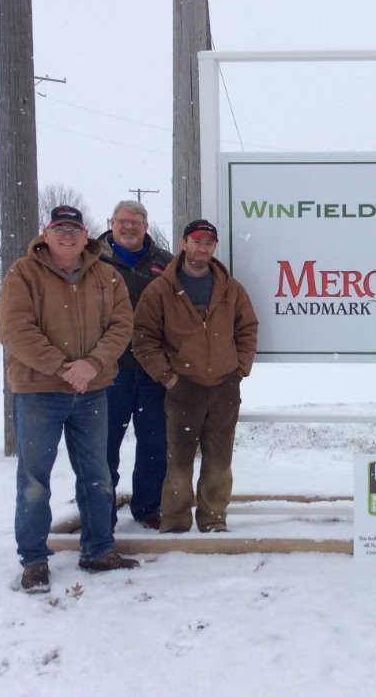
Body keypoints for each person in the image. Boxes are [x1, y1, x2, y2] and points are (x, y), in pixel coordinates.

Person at [0, 205, 140, 594]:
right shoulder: (23, 274)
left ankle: (98, 550)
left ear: (85, 234)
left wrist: (92, 364)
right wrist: (61, 367)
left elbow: (121, 326)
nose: (67, 235)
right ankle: (34, 560)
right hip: (39, 392)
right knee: (34, 479)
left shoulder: (107, 276)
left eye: (74, 229)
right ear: (46, 234)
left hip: (92, 391)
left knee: (97, 474)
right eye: (59, 228)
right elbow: (14, 329)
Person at [133, 219, 259, 533]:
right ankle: (175, 522)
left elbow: (247, 328)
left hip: (224, 388)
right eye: (197, 241)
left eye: (208, 243)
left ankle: (213, 519)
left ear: (214, 247)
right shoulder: (161, 289)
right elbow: (144, 338)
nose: (202, 248)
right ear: (184, 243)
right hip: (182, 389)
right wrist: (169, 379)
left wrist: (239, 370)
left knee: (219, 459)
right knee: (178, 461)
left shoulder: (230, 288)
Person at [98, 200, 174, 530]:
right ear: (111, 223)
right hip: (107, 369)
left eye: (136, 223)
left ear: (146, 227)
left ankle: (148, 507)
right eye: (123, 221)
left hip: (152, 368)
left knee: (155, 444)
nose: (129, 227)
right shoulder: (94, 260)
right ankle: (101, 512)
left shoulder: (164, 262)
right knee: (104, 446)